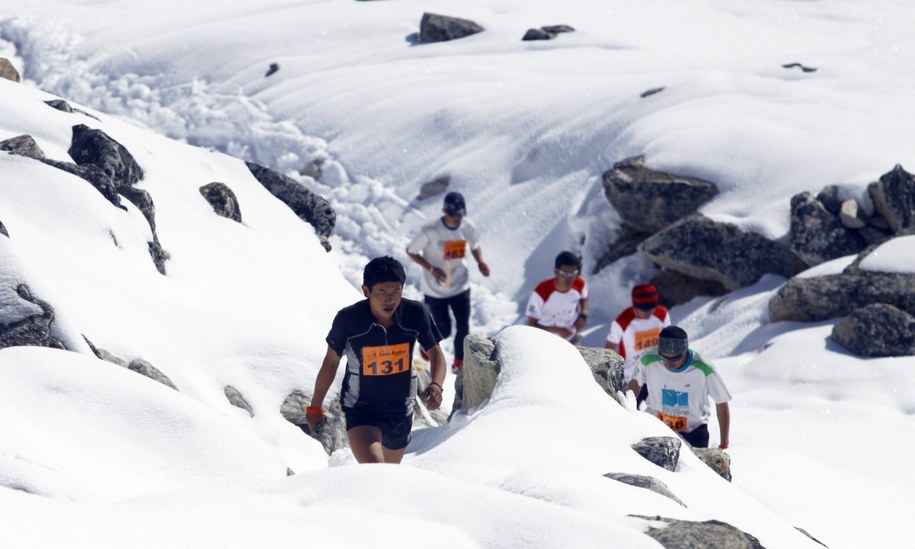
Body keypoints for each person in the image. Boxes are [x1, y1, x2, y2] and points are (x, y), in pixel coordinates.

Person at [306, 256, 447, 464]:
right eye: (382, 292)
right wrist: (315, 408)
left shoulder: (415, 314)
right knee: (375, 469)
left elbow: (436, 353)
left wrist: (436, 385)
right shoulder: (349, 320)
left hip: (400, 411)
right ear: (366, 291)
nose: (389, 299)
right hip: (361, 410)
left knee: (386, 480)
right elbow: (331, 363)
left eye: (396, 291)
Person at [406, 191, 490, 373]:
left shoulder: (467, 227)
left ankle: (459, 362)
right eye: (453, 215)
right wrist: (431, 268)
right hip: (435, 289)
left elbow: (475, 246)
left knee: (463, 325)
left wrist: (480, 262)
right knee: (444, 329)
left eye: (460, 215)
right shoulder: (431, 230)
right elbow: (411, 250)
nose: (457, 219)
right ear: (444, 211)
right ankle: (426, 346)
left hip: (460, 284)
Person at [627, 326, 731, 449]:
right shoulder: (648, 359)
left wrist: (724, 443)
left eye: (676, 358)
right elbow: (633, 386)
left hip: (694, 433)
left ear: (685, 351)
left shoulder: (702, 367)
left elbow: (721, 402)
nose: (670, 363)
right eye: (664, 357)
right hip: (656, 428)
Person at [605, 282, 671, 408]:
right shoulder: (622, 321)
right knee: (630, 411)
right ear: (635, 306)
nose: (648, 313)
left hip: (656, 373)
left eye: (651, 308)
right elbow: (609, 349)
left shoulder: (661, 314)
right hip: (631, 378)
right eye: (643, 309)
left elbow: (668, 341)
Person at [526, 251, 589, 343]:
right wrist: (558, 330)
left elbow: (584, 297)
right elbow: (532, 324)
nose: (570, 278)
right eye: (565, 274)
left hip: (570, 339)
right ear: (556, 272)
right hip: (543, 340)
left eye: (573, 273)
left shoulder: (580, 283)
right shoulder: (541, 291)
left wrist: (583, 315)